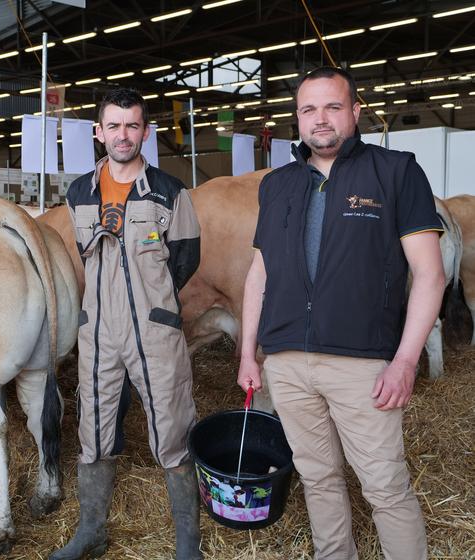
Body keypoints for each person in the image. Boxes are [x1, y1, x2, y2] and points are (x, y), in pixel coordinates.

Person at [237, 66, 445, 560]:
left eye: (333, 106)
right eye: (309, 109)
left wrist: (406, 360)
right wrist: (249, 353)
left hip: (363, 365)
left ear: (355, 112)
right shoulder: (277, 185)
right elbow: (258, 276)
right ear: (297, 119)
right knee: (318, 479)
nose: (321, 119)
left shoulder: (396, 172)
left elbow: (430, 275)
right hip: (286, 363)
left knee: (384, 487)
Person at [50, 88, 202, 560]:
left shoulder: (170, 193)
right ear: (99, 132)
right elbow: (85, 258)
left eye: (132, 125)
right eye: (113, 126)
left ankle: (186, 545)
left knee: (172, 430)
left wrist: (151, 303)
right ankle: (90, 532)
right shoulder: (78, 194)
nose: (123, 135)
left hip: (155, 331)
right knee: (92, 432)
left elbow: (185, 260)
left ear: (146, 132)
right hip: (97, 333)